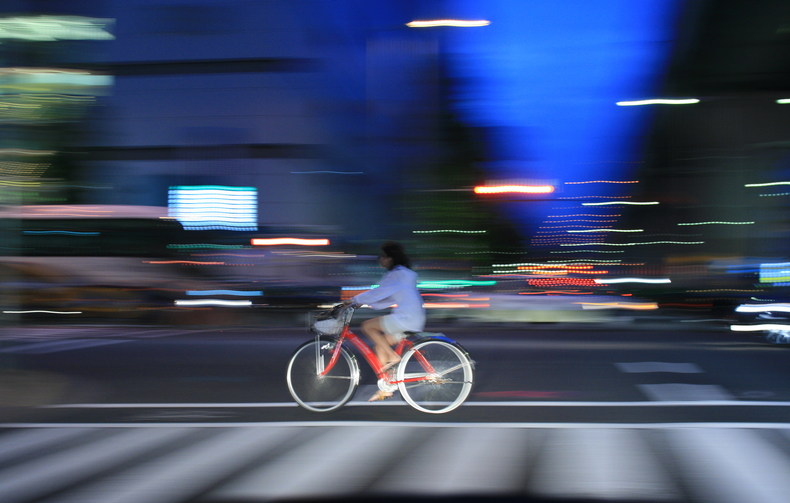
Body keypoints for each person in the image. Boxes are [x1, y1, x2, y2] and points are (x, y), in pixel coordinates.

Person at [345, 241, 426, 401]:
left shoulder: (397, 273)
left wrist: (354, 299)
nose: (380, 260)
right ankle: (386, 388)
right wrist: (362, 302)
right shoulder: (405, 274)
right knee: (380, 346)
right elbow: (386, 297)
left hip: (406, 317)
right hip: (413, 317)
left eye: (382, 257)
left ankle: (394, 358)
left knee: (367, 326)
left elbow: (381, 292)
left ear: (390, 258)